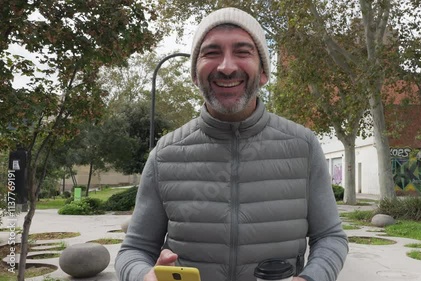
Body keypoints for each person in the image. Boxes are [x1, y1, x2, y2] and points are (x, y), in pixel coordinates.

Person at [115, 7, 348, 281]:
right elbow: (135, 249)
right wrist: (143, 276)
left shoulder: (304, 145)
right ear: (194, 74)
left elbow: (330, 237)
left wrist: (311, 278)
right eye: (212, 53)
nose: (226, 67)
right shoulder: (164, 155)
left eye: (243, 52)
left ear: (263, 73)